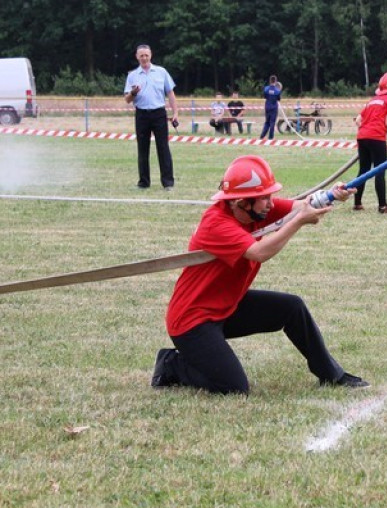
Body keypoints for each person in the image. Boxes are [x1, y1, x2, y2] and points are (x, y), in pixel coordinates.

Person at [150, 155, 369, 394]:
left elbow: (301, 206)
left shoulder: (257, 210)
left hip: (227, 306)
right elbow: (259, 252)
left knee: (292, 307)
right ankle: (171, 364)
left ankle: (331, 375)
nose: (271, 203)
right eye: (264, 198)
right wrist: (298, 223)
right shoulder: (216, 224)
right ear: (242, 202)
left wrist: (332, 195)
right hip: (193, 320)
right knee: (233, 388)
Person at [124, 44, 179, 189]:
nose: (144, 58)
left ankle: (168, 183)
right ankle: (143, 183)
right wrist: (133, 92)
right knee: (142, 149)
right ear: (137, 57)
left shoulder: (161, 72)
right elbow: (127, 99)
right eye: (141, 55)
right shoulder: (132, 75)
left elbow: (170, 93)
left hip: (159, 113)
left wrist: (175, 113)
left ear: (151, 55)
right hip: (142, 114)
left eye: (146, 55)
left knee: (163, 148)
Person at [352, 71, 387, 213]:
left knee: (363, 170)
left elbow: (358, 120)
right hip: (377, 137)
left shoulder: (372, 100)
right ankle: (382, 205)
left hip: (362, 136)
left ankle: (357, 203)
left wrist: (367, 128)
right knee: (380, 170)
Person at [259, 75, 282, 139]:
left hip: (267, 107)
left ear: (270, 81)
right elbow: (279, 99)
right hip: (274, 108)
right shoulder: (277, 91)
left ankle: (262, 136)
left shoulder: (266, 89)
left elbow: (265, 96)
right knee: (272, 123)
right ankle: (270, 138)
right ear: (276, 81)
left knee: (267, 122)